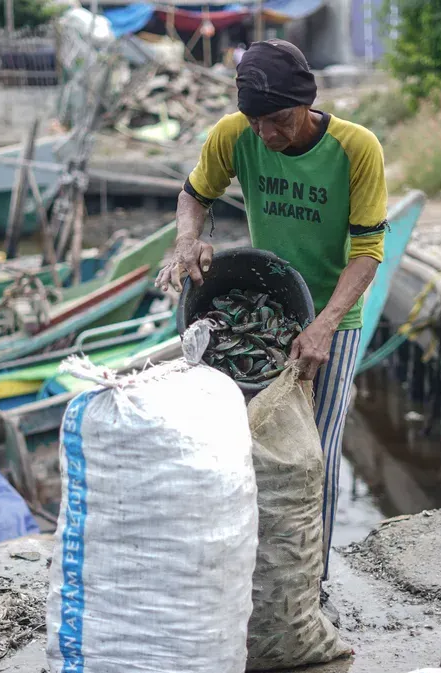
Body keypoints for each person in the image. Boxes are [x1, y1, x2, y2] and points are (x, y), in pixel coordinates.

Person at [156, 39, 388, 615]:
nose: (267, 136)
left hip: (334, 315)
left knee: (317, 452)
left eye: (279, 121)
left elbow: (367, 251)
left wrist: (326, 325)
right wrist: (188, 239)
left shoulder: (356, 149)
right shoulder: (234, 133)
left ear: (306, 104)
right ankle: (248, 575)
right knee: (245, 448)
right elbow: (194, 195)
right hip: (268, 305)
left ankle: (312, 586)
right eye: (257, 122)